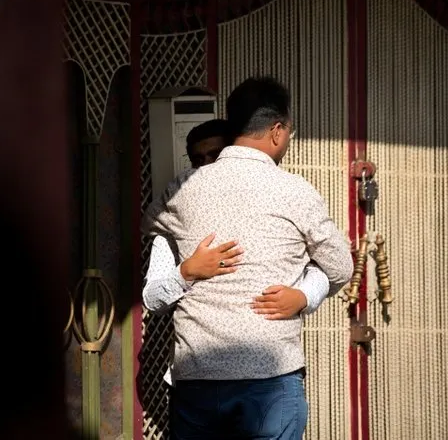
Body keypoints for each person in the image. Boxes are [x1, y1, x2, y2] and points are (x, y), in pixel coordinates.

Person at [143, 76, 353, 439]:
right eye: (288, 131)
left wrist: (186, 271)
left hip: (198, 379)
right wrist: (306, 295)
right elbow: (339, 266)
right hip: (270, 380)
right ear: (276, 131)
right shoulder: (296, 192)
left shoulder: (181, 190)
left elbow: (151, 226)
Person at [142, 118, 332, 387]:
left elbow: (322, 266)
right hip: (200, 381)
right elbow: (152, 299)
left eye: (215, 156)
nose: (207, 166)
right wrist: (186, 273)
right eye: (199, 160)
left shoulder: (281, 205)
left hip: (270, 377)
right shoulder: (175, 218)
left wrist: (304, 295)